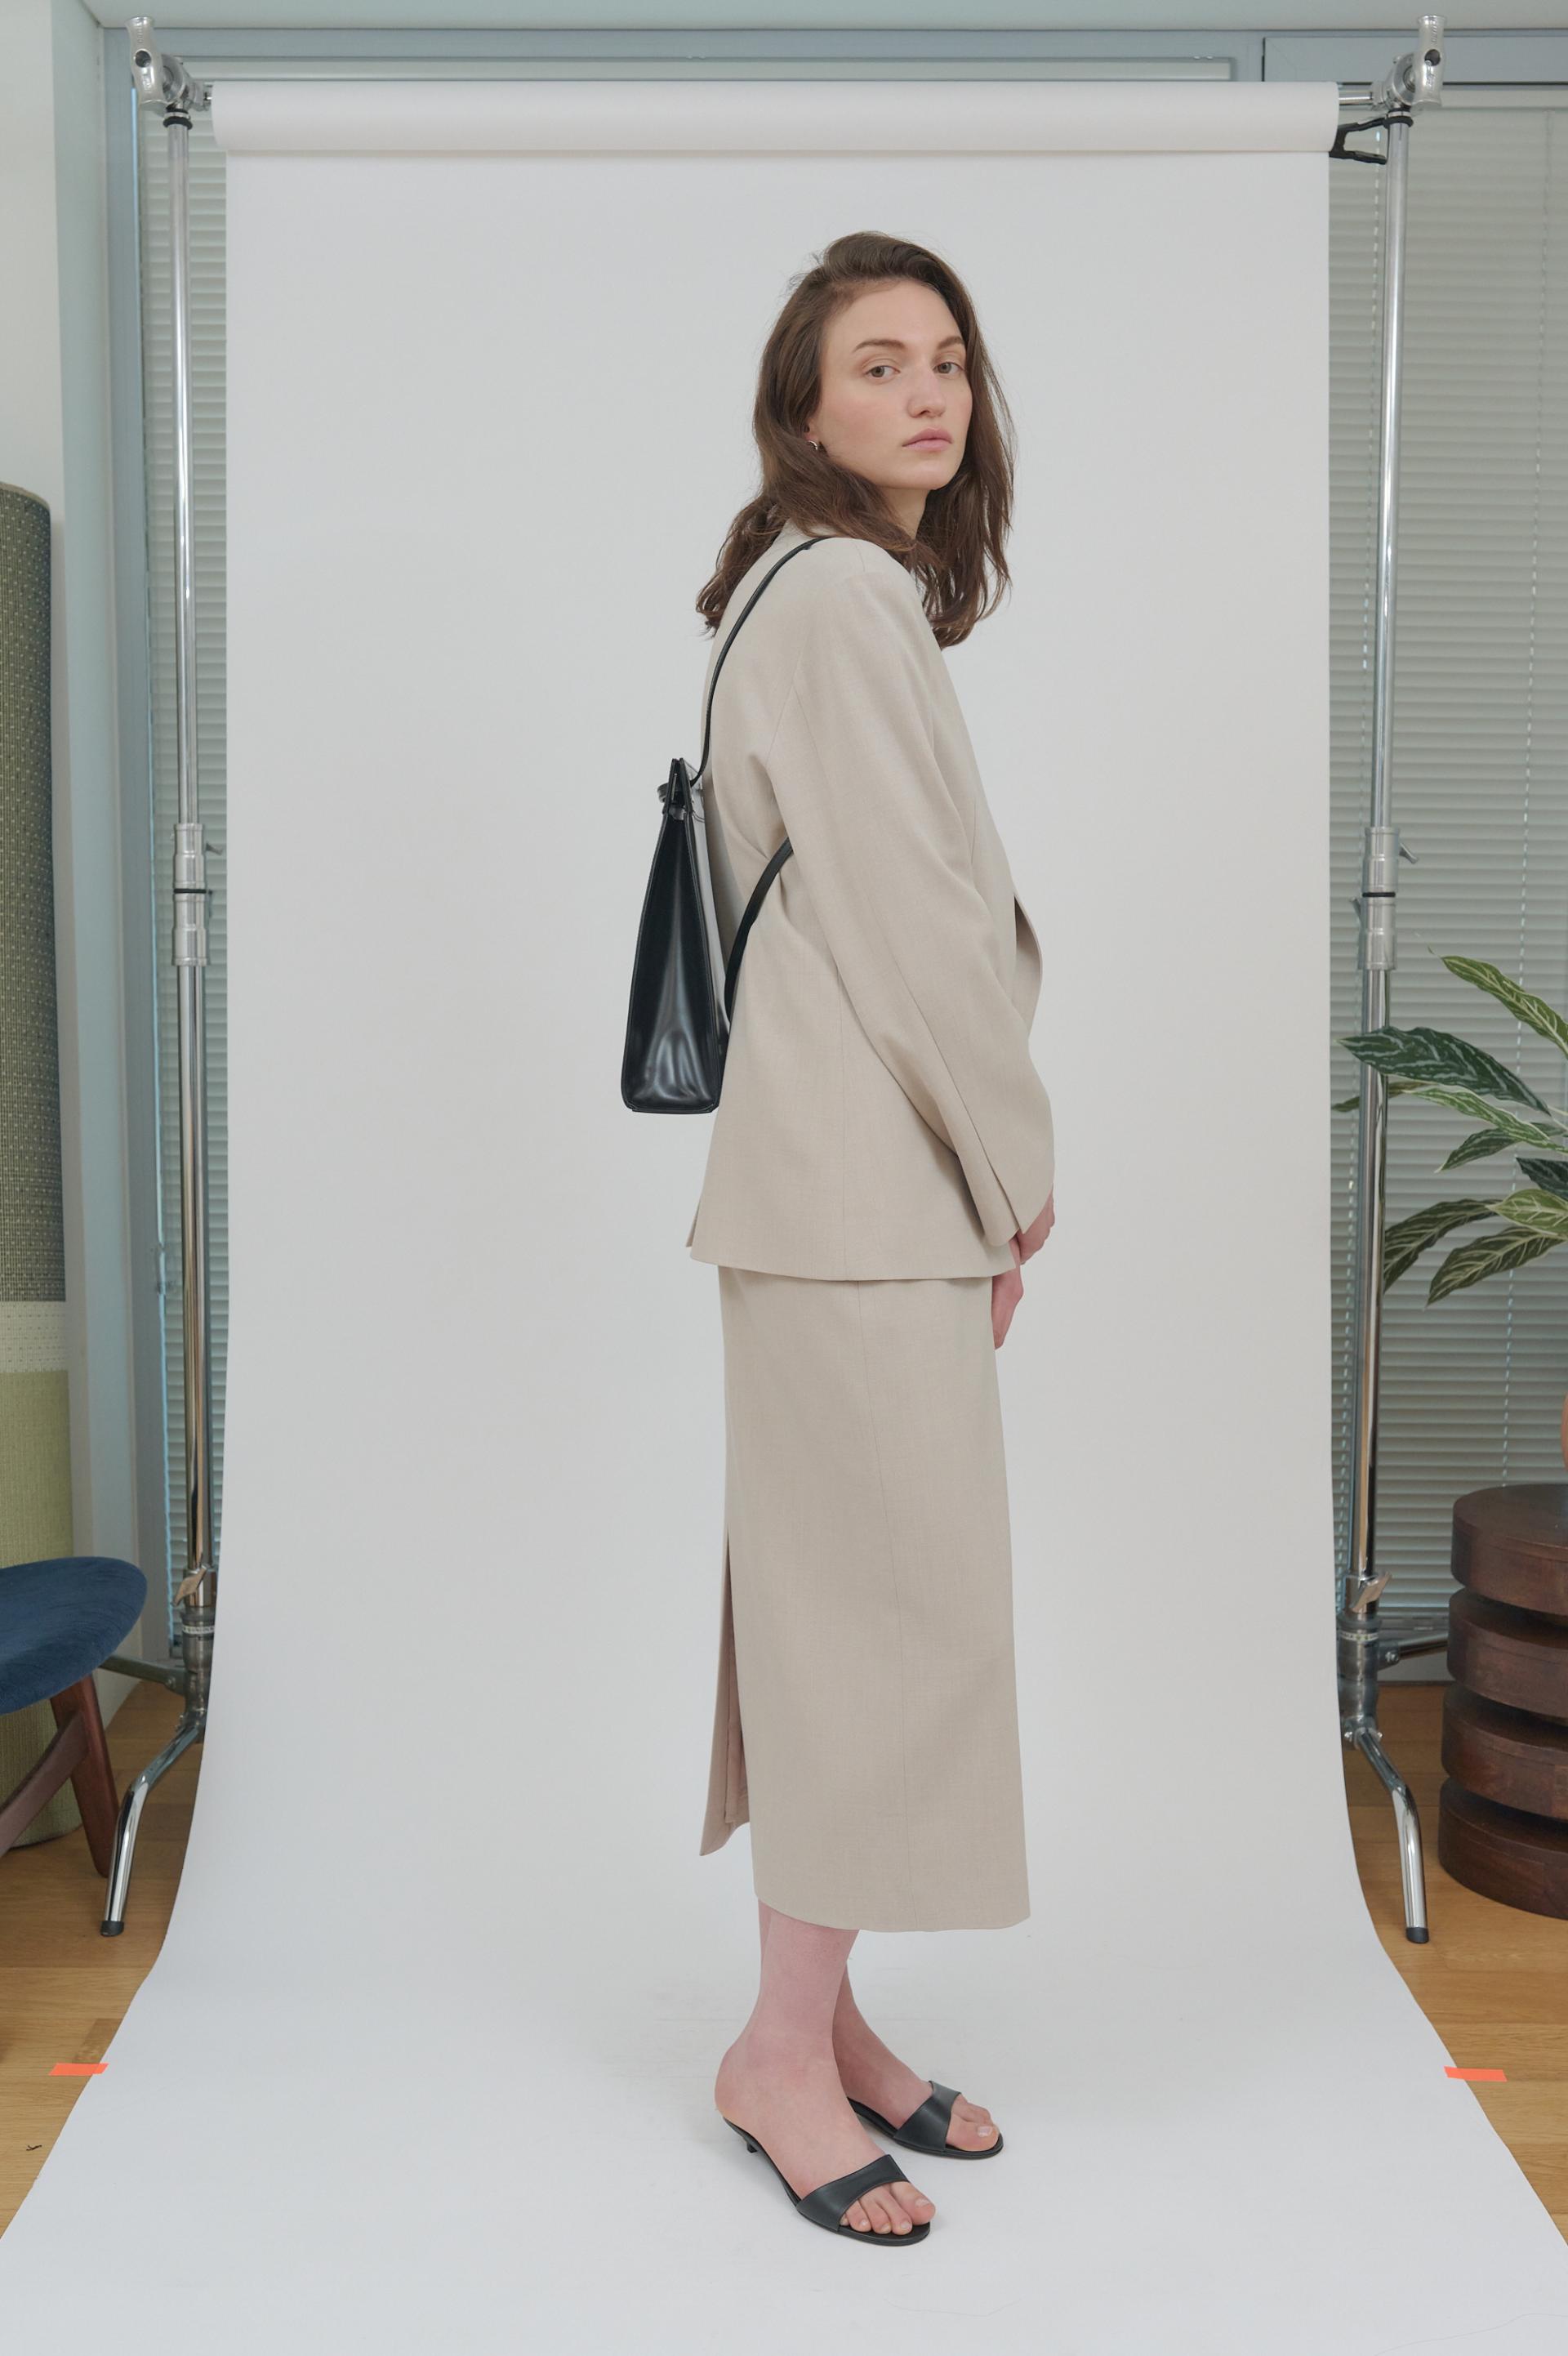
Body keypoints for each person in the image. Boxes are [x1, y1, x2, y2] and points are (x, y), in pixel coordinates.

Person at [685, 231, 1057, 2244]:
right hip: (863, 1191)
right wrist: (1013, 1164)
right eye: (880, 364)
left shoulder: (823, 587)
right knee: (873, 1627)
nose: (928, 394)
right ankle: (775, 2050)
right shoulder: (838, 597)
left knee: (849, 1612)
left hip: (838, 1188)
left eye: (950, 361)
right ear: (807, 409)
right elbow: (916, 931)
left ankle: (822, 2026)